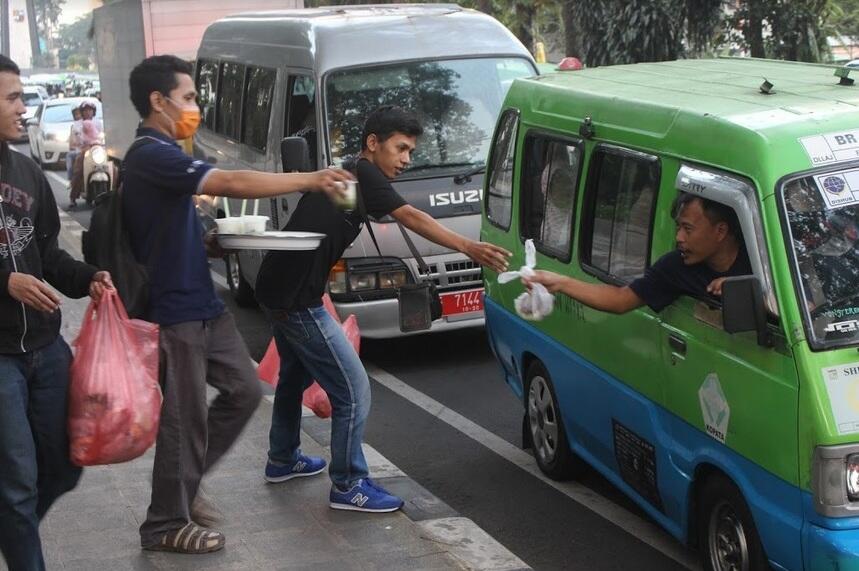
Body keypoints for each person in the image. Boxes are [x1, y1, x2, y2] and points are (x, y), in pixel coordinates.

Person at [124, 55, 352, 554]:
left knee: (246, 391)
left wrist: (211, 239)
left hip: (204, 304)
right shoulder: (148, 153)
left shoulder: (167, 151)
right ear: (157, 102)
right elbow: (228, 182)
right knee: (184, 417)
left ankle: (184, 484)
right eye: (187, 98)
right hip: (173, 310)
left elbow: (174, 224)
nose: (195, 108)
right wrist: (310, 178)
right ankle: (164, 522)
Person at [254, 105, 512, 513]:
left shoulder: (352, 177)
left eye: (411, 151)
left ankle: (282, 459)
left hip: (278, 288)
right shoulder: (364, 175)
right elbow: (409, 215)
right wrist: (469, 246)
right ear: (373, 144)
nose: (406, 159)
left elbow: (333, 218)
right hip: (295, 300)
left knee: (293, 377)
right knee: (353, 389)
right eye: (401, 148)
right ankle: (349, 485)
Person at [0, 54, 113, 571]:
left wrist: (88, 277)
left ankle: (12, 525)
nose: (23, 108)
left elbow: (48, 254)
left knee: (67, 466)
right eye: (12, 98)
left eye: (21, 96)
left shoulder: (25, 170)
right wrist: (6, 281)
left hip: (46, 349)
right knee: (17, 480)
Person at [524, 192, 750, 313]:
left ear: (720, 231)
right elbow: (621, 300)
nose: (679, 238)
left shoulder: (763, 261)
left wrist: (749, 289)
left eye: (688, 229)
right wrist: (561, 283)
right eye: (678, 227)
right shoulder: (676, 266)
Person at [69, 100, 102, 207]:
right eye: (86, 110)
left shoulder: (98, 123)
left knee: (112, 167)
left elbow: (101, 136)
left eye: (90, 110)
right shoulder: (77, 125)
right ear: (82, 112)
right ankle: (73, 197)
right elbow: (74, 140)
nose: (88, 112)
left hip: (98, 149)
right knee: (78, 171)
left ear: (94, 112)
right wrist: (77, 143)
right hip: (83, 150)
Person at [66, 106, 83, 195]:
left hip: (92, 150)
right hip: (79, 151)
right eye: (76, 114)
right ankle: (70, 179)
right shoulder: (74, 127)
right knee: (69, 155)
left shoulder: (92, 123)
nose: (78, 116)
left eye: (79, 113)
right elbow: (72, 142)